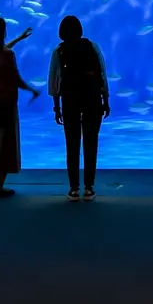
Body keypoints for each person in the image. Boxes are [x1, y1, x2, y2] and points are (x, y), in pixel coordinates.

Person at [48, 15, 109, 201]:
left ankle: (74, 188)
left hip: (70, 100)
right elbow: (102, 73)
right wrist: (105, 100)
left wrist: (56, 107)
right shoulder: (92, 46)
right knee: (91, 143)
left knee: (72, 144)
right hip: (92, 99)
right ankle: (89, 188)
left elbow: (54, 81)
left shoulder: (59, 51)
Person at [0, 16, 39, 198]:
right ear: (1, 32)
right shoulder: (7, 55)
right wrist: (32, 90)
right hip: (5, 103)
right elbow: (15, 78)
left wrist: (19, 39)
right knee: (4, 144)